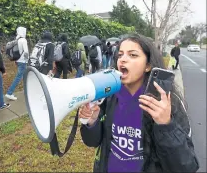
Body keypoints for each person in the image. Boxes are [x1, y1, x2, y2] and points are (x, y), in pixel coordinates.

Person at [79, 34, 199, 172]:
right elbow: (93, 142)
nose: (123, 59)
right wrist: (92, 122)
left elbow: (186, 166)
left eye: (133, 55)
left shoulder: (167, 103)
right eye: (120, 55)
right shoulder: (110, 95)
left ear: (148, 65)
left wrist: (166, 125)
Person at [5, 26, 29, 100]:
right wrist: (27, 60)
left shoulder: (17, 40)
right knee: (19, 77)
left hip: (18, 60)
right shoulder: (23, 40)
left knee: (24, 76)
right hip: (23, 62)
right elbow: (26, 52)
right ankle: (9, 93)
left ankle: (27, 90)